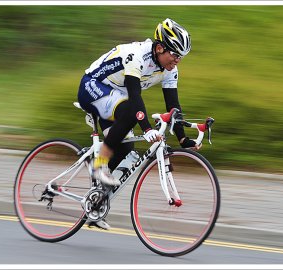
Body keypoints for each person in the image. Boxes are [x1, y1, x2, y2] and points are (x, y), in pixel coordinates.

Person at [77, 18, 201, 229]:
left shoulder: (169, 68)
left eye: (181, 56)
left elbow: (173, 106)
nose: (177, 60)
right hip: (93, 86)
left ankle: (96, 204)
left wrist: (183, 139)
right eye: (175, 54)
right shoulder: (137, 55)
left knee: (125, 148)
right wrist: (147, 129)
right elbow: (135, 97)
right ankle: (98, 165)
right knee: (129, 111)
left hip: (116, 97)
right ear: (160, 48)